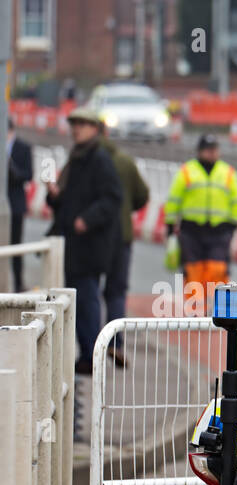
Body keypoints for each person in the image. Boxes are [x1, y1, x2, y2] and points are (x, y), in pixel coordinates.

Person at [46, 106, 122, 375]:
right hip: (75, 244)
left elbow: (113, 199)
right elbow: (67, 201)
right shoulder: (76, 158)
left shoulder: (99, 159)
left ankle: (91, 355)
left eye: (82, 124)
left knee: (87, 300)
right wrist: (54, 195)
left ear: (94, 129)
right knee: (78, 300)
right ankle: (87, 353)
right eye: (74, 123)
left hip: (90, 246)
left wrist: (86, 219)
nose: (76, 128)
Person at [165, 134, 237, 312]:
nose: (212, 153)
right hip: (191, 230)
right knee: (193, 270)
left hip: (220, 230)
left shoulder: (228, 172)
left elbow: (236, 200)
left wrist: (233, 224)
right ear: (200, 151)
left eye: (214, 150)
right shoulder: (186, 171)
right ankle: (196, 310)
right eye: (208, 150)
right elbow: (174, 199)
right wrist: (170, 224)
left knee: (218, 269)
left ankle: (220, 310)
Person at [99, 119, 150, 367]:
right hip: (121, 236)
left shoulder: (84, 161)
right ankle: (115, 342)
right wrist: (128, 208)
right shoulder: (125, 162)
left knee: (86, 290)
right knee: (116, 292)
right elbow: (143, 195)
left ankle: (90, 348)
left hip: (91, 237)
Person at [7, 119, 33, 291]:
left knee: (16, 246)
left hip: (15, 204)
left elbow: (28, 174)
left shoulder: (24, 147)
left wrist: (12, 169)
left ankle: (18, 284)